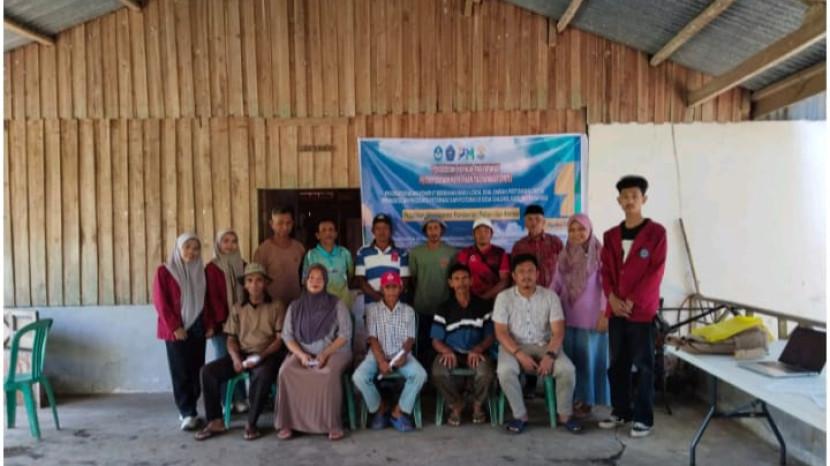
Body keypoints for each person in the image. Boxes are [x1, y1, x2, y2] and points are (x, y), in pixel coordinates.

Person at [598, 175, 666, 438]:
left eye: (634, 196)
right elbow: (606, 271)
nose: (629, 201)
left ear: (643, 199)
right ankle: (621, 411)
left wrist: (633, 300)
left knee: (644, 365)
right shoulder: (611, 236)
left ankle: (644, 418)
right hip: (616, 310)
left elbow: (655, 272)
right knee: (617, 363)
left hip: (641, 312)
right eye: (624, 197)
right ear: (619, 201)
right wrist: (611, 298)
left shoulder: (656, 233)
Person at [195, 263, 287, 441]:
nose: (254, 285)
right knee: (208, 372)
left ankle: (251, 424)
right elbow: (231, 338)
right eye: (249, 281)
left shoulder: (276, 306)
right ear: (244, 285)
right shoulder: (238, 308)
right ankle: (215, 421)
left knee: (263, 374)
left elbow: (279, 340)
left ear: (265, 284)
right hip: (243, 354)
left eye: (259, 280)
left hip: (267, 354)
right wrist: (236, 359)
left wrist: (260, 356)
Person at [493, 254, 580, 434]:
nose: (526, 276)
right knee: (505, 371)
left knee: (567, 369)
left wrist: (550, 355)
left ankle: (565, 415)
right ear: (514, 276)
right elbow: (501, 332)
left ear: (538, 274)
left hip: (545, 345)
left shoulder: (550, 296)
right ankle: (520, 415)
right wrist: (519, 354)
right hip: (513, 346)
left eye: (530, 271)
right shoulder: (503, 297)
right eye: (521, 272)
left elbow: (558, 332)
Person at [152, 233, 221, 431]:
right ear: (178, 249)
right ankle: (187, 412)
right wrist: (175, 327)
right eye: (187, 247)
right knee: (180, 371)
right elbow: (161, 303)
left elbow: (205, 301)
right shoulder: (165, 272)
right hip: (177, 329)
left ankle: (192, 407)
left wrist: (210, 324)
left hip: (198, 326)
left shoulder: (200, 272)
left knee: (196, 370)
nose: (191, 252)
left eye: (196, 248)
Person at [276, 264, 353, 441]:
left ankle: (332, 424)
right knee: (286, 371)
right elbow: (287, 336)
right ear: (306, 281)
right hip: (303, 352)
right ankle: (288, 423)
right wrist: (301, 355)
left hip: (335, 351)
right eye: (311, 278)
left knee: (327, 373)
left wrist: (325, 354)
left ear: (325, 282)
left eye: (320, 278)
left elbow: (345, 334)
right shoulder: (295, 306)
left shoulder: (337, 304)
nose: (315, 282)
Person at [352, 271, 426, 433]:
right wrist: (381, 361)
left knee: (420, 375)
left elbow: (410, 339)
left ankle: (398, 412)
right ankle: (381, 408)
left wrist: (403, 355)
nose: (391, 291)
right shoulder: (373, 310)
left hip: (400, 354)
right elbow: (372, 339)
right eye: (388, 287)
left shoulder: (408, 310)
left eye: (395, 287)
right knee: (359, 377)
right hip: (377, 354)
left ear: (400, 289)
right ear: (382, 289)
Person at [553, 214, 610, 418]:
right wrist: (547, 305)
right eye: (572, 230)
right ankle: (572, 398)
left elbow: (607, 286)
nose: (576, 234)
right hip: (567, 316)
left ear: (590, 230)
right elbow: (556, 283)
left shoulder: (600, 253)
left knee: (588, 361)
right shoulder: (565, 254)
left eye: (581, 229)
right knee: (571, 360)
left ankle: (588, 400)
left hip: (592, 318)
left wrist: (604, 313)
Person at [430, 263, 495, 426]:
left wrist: (479, 348)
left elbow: (490, 335)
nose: (461, 282)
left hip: (476, 352)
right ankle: (456, 404)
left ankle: (477, 405)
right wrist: (446, 351)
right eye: (457, 279)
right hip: (452, 353)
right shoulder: (444, 308)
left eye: (465, 278)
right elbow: (436, 340)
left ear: (471, 281)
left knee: (486, 372)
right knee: (438, 372)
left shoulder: (483, 305)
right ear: (450, 283)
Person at [205, 229, 248, 413]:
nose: (230, 245)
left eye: (233, 241)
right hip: (220, 324)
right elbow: (209, 298)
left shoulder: (243, 265)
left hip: (241, 323)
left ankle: (240, 398)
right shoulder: (211, 268)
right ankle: (225, 401)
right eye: (225, 241)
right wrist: (216, 322)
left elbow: (248, 292)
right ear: (218, 244)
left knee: (239, 359)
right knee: (223, 360)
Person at [409, 216, 456, 366]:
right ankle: (423, 376)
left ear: (441, 230)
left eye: (436, 228)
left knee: (442, 346)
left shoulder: (451, 252)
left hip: (444, 309)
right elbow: (412, 279)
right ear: (425, 231)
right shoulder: (416, 253)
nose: (433, 231)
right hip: (422, 308)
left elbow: (455, 281)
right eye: (429, 228)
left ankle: (439, 376)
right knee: (422, 345)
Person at [253, 207, 306, 308]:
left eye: (288, 223)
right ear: (271, 224)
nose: (285, 227)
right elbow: (257, 279)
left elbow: (305, 276)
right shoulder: (263, 250)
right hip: (271, 306)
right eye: (280, 223)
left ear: (293, 223)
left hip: (295, 304)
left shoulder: (299, 248)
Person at [355, 213, 410, 304]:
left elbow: (404, 280)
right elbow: (361, 281)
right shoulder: (362, 252)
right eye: (378, 228)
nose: (382, 232)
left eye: (385, 228)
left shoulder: (402, 253)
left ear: (390, 231)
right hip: (371, 306)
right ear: (373, 231)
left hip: (395, 305)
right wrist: (380, 299)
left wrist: (390, 299)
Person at [301, 218, 355, 308]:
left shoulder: (344, 253)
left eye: (331, 230)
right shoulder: (311, 255)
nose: (328, 233)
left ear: (336, 234)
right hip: (319, 303)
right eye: (324, 230)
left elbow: (351, 276)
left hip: (343, 301)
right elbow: (305, 280)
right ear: (318, 235)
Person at [455, 218, 510, 304]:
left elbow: (505, 281)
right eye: (479, 231)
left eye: (486, 231)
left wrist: (485, 297)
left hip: (494, 300)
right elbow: (460, 278)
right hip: (470, 300)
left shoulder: (500, 253)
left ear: (491, 234)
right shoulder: (465, 253)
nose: (482, 234)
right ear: (473, 234)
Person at [511, 204, 564, 289]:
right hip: (528, 292)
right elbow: (515, 274)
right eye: (530, 219)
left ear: (543, 222)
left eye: (537, 219)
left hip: (553, 292)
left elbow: (565, 268)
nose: (534, 223)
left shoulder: (555, 242)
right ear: (525, 223)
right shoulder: (519, 246)